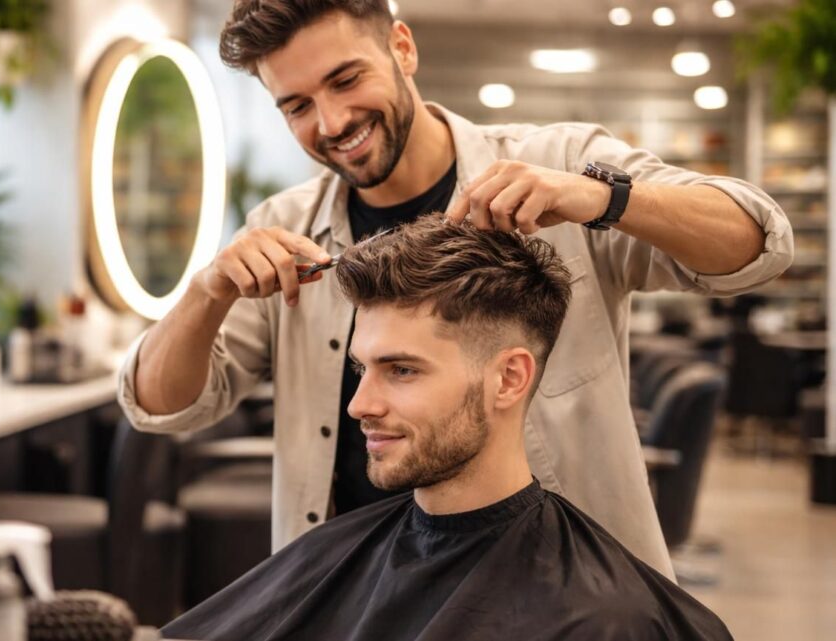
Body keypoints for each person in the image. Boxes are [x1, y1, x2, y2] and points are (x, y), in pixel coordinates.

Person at [117, 0, 794, 577]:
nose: (329, 123)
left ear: (402, 48)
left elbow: (761, 242)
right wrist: (209, 290)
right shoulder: (284, 228)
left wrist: (599, 197)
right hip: (359, 593)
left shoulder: (559, 164)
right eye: (296, 106)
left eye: (346, 79)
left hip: (562, 593)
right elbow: (159, 407)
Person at [161, 215, 732, 641]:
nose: (359, 405)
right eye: (362, 369)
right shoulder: (330, 555)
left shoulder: (607, 619)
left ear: (509, 379)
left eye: (401, 370)